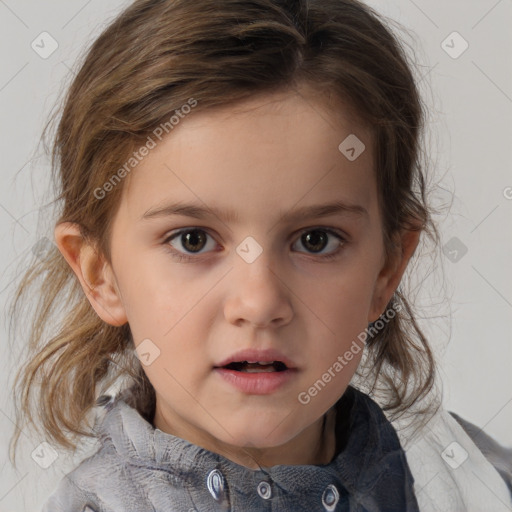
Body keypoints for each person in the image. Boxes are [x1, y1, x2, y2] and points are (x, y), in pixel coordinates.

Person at [9, 0, 512, 510]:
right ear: (102, 276)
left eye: (316, 240)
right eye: (193, 240)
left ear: (387, 269)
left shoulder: (481, 485)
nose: (259, 302)